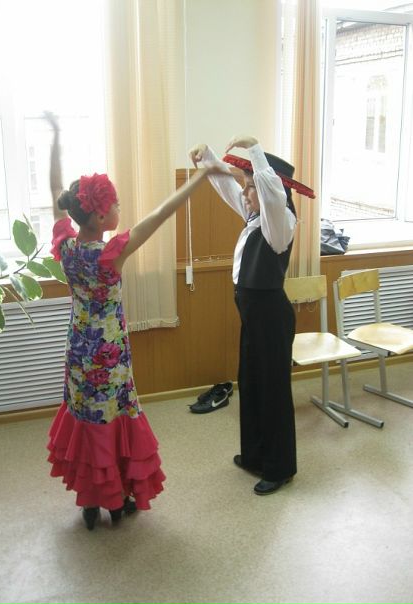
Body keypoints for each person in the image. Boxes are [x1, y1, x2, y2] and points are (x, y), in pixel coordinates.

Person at [45, 112, 227, 530]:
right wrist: (201, 177)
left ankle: (91, 501)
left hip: (78, 349)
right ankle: (114, 500)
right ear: (100, 217)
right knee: (111, 419)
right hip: (109, 356)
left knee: (87, 417)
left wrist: (54, 136)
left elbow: (54, 189)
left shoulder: (67, 246)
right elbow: (161, 214)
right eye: (115, 205)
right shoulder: (111, 254)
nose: (120, 209)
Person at [189, 135, 314, 496]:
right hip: (253, 318)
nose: (244, 193)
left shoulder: (280, 221)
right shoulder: (256, 216)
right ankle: (256, 455)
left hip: (271, 320)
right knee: (251, 383)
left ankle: (279, 467)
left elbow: (271, 192)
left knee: (273, 391)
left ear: (269, 188)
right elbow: (229, 188)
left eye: (250, 187)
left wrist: (255, 148)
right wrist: (206, 157)